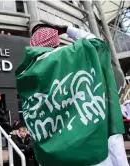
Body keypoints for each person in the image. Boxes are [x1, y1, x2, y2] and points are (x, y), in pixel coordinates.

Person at [28, 23, 128, 166]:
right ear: (55, 40)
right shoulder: (73, 57)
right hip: (94, 154)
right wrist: (68, 29)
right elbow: (96, 43)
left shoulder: (28, 74)